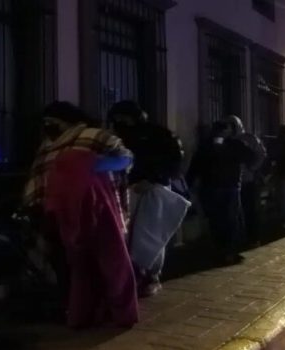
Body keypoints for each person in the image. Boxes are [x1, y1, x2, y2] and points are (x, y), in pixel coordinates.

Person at [44, 148, 138, 328]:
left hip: (71, 232)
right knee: (117, 270)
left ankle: (81, 318)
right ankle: (124, 315)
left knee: (81, 275)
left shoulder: (57, 174)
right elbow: (123, 161)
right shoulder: (88, 167)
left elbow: (51, 208)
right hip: (102, 227)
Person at [107, 100, 185, 297]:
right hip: (127, 189)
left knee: (151, 234)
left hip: (153, 189)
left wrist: (153, 180)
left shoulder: (158, 135)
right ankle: (133, 275)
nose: (120, 122)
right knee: (127, 234)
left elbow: (174, 162)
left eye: (124, 118)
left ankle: (152, 276)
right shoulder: (116, 136)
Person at [187, 121, 254, 263]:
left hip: (211, 187)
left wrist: (188, 184)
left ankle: (220, 249)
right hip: (229, 187)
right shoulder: (234, 145)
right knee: (230, 219)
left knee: (216, 219)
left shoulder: (205, 146)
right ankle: (229, 251)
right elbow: (251, 157)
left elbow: (195, 167)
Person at [225, 115, 267, 246]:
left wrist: (252, 167)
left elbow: (261, 154)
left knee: (251, 209)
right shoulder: (225, 141)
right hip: (232, 181)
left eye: (232, 126)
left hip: (249, 181)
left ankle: (254, 237)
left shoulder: (249, 138)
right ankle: (240, 238)